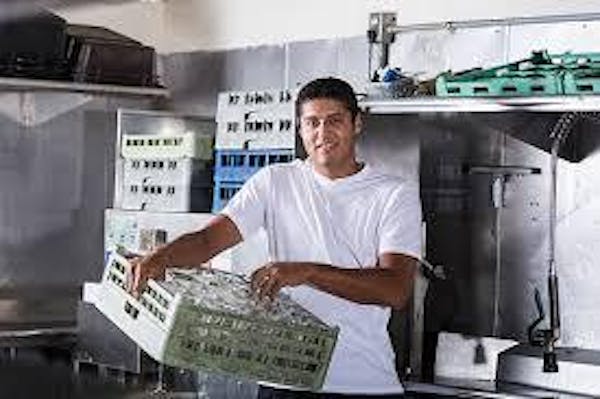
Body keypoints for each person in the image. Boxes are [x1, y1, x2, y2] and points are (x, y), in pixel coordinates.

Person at [129, 77, 422, 398]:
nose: (322, 133)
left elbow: (395, 289)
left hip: (360, 382)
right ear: (300, 129)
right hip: (284, 379)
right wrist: (160, 257)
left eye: (334, 121)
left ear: (357, 124)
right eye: (312, 123)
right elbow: (207, 241)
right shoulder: (275, 182)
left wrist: (306, 272)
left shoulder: (392, 193)